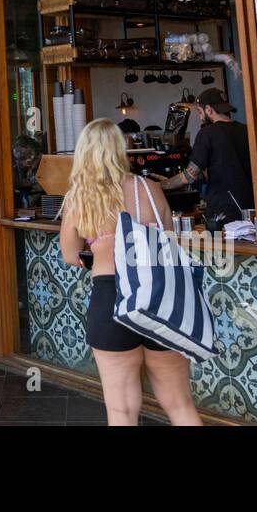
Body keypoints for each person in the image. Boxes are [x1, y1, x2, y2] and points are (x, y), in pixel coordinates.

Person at [59, 119, 201, 426]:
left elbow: (69, 255)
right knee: (179, 404)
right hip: (158, 296)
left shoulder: (80, 198)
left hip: (110, 295)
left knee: (122, 411)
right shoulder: (150, 190)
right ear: (121, 148)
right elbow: (168, 242)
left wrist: (97, 255)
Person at [150, 88, 252, 230]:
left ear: (209, 110)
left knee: (222, 252)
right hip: (251, 207)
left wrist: (156, 186)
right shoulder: (246, 130)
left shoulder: (207, 134)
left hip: (222, 211)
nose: (200, 117)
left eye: (200, 111)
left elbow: (189, 177)